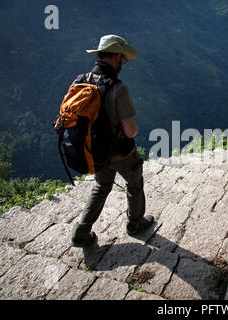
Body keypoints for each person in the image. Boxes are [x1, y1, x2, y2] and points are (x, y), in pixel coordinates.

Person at [71, 35, 153, 247]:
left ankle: (81, 231)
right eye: (122, 60)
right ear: (117, 57)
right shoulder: (118, 88)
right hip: (119, 152)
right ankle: (135, 224)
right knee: (135, 183)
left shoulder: (81, 81)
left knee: (101, 185)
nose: (123, 64)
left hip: (94, 150)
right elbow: (130, 131)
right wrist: (135, 128)